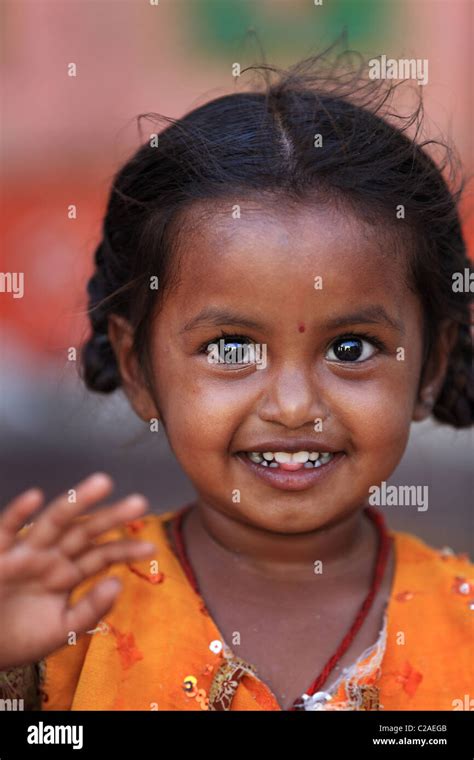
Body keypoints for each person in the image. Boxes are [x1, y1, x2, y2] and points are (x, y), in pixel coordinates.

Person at [0, 51, 472, 712]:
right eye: (230, 347)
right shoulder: (65, 604)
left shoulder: (466, 627)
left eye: (351, 346)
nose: (294, 405)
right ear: (139, 369)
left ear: (433, 366)